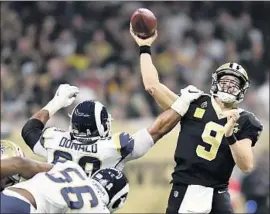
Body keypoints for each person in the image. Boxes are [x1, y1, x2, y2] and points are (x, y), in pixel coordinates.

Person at [130, 27, 263, 214]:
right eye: (225, 81)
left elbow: (247, 165)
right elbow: (152, 86)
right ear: (216, 82)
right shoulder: (194, 101)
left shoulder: (246, 120)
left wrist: (231, 135)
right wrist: (144, 47)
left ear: (242, 90)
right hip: (185, 187)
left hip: (219, 191)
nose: (229, 86)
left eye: (235, 84)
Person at [21, 83, 202, 177]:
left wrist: (56, 103)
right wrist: (182, 103)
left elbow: (29, 130)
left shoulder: (53, 140)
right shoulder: (114, 148)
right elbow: (157, 130)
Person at [1, 161, 129, 213]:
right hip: (24, 209)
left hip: (7, 196)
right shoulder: (99, 210)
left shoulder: (73, 168)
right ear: (117, 201)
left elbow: (21, 163)